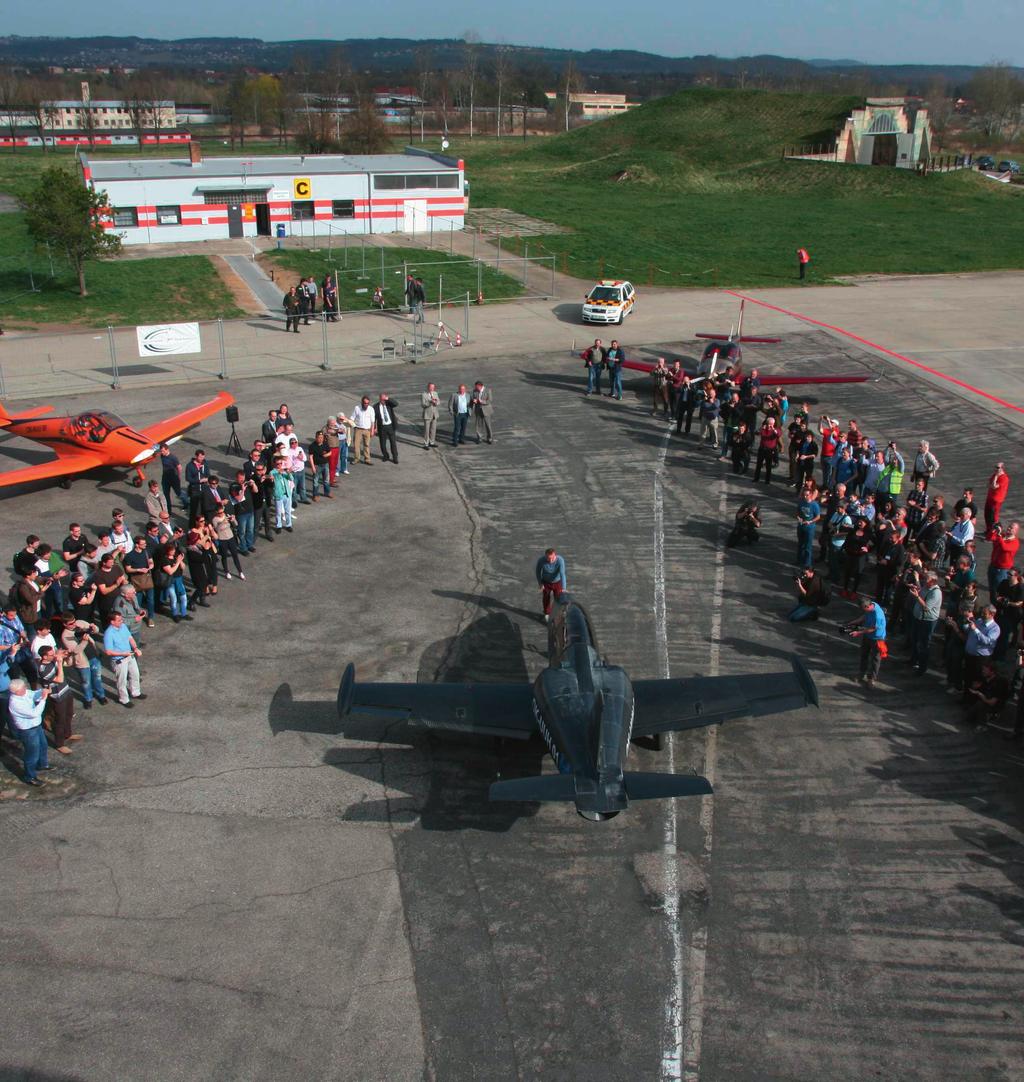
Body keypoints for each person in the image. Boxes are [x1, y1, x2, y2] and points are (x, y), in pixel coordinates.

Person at [8, 678, 50, 785]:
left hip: (36, 725)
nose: (25, 688)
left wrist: (42, 691)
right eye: (23, 688)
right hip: (28, 731)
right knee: (32, 754)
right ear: (16, 691)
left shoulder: (23, 693)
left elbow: (33, 694)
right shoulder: (15, 703)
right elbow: (34, 713)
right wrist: (43, 699)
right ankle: (30, 777)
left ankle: (42, 764)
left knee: (43, 745)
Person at [103, 611, 144, 709]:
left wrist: (135, 648)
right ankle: (124, 699)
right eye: (119, 620)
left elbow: (130, 638)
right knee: (122, 681)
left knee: (135, 674)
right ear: (112, 622)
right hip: (119, 660)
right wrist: (123, 653)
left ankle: (135, 692)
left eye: (121, 619)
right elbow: (108, 652)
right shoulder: (108, 634)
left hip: (130, 655)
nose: (121, 621)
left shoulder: (123, 627)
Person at [908, 573, 943, 675]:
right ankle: (913, 660)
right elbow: (921, 591)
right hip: (918, 618)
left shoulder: (936, 593)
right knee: (914, 639)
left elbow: (927, 607)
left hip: (927, 621)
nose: (925, 580)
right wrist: (917, 589)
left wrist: (917, 596)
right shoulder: (926, 586)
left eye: (927, 579)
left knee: (923, 644)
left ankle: (922, 667)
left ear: (933, 581)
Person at [849, 598, 887, 686]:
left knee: (876, 659)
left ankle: (872, 678)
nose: (863, 610)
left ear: (868, 606)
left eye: (863, 608)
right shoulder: (872, 604)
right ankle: (861, 673)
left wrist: (858, 632)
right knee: (864, 654)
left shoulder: (878, 615)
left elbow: (873, 629)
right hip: (867, 636)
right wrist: (852, 622)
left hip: (878, 638)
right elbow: (865, 615)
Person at [964, 662, 1010, 730]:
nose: (983, 671)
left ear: (992, 672)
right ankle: (984, 715)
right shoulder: (985, 678)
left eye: (985, 670)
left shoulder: (999, 682)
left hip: (995, 703)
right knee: (969, 718)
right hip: (986, 699)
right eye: (983, 669)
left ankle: (983, 725)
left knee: (980, 704)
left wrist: (980, 695)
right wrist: (976, 687)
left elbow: (992, 702)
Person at [123, 536, 156, 627]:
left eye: (145, 543)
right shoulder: (130, 556)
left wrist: (150, 566)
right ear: (137, 545)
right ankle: (137, 616)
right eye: (143, 544)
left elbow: (151, 561)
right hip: (136, 580)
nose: (145, 545)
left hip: (147, 578)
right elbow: (128, 569)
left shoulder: (146, 552)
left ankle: (150, 618)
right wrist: (139, 570)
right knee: (138, 601)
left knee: (151, 600)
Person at [159, 543, 191, 622]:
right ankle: (175, 614)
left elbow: (183, 567)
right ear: (167, 551)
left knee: (183, 597)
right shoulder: (164, 560)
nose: (174, 551)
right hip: (170, 581)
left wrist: (180, 561)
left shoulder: (176, 557)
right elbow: (170, 572)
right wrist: (177, 563)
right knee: (173, 598)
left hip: (179, 579)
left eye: (174, 549)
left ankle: (184, 613)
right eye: (172, 550)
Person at [536, 549, 568, 623]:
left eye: (552, 558)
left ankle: (557, 613)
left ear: (555, 555)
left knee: (558, 598)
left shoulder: (560, 560)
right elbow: (538, 572)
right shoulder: (541, 560)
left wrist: (564, 588)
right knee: (546, 597)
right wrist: (540, 584)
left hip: (557, 582)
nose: (550, 560)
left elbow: (562, 574)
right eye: (548, 558)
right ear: (545, 556)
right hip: (546, 582)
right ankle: (547, 613)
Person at [796, 488, 821, 570]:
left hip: (809, 527)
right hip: (801, 525)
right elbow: (798, 512)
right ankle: (799, 560)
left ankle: (807, 563)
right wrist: (799, 517)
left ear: (810, 495)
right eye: (804, 495)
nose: (805, 496)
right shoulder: (801, 502)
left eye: (807, 495)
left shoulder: (814, 505)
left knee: (808, 546)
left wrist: (810, 521)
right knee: (800, 544)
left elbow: (818, 517)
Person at [185, 449, 210, 527]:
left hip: (204, 489)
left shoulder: (205, 464)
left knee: (205, 508)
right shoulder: (190, 466)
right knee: (194, 510)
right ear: (196, 456)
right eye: (200, 457)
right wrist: (199, 480)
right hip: (195, 490)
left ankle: (205, 525)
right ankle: (191, 526)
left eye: (203, 457)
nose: (202, 459)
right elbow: (188, 478)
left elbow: (208, 474)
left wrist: (207, 478)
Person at [373, 393, 399, 464]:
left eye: (384, 399)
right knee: (382, 444)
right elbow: (374, 418)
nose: (383, 401)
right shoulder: (375, 407)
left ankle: (395, 457)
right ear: (379, 399)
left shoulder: (389, 404)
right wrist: (374, 428)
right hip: (382, 427)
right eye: (382, 399)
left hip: (390, 426)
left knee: (393, 443)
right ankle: (386, 455)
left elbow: (396, 404)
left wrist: (388, 399)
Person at [270, 456, 294, 533]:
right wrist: (278, 473)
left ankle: (288, 525)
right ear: (274, 464)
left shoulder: (284, 471)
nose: (279, 465)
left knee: (288, 511)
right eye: (278, 464)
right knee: (278, 512)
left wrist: (288, 472)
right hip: (278, 495)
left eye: (281, 463)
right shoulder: (272, 472)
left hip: (286, 494)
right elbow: (272, 479)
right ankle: (278, 526)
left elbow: (291, 479)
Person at [754, 417, 781, 484]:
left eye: (771, 424)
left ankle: (767, 481)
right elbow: (756, 433)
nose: (770, 425)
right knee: (759, 465)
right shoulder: (763, 429)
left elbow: (778, 434)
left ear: (774, 424)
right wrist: (761, 428)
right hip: (762, 449)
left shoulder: (776, 429)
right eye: (769, 424)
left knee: (768, 466)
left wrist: (774, 429)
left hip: (770, 450)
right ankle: (756, 478)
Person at [984, 463, 1010, 531]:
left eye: (998, 467)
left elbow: (994, 486)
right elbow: (988, 484)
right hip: (990, 497)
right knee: (987, 514)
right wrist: (993, 481)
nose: (996, 469)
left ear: (1002, 468)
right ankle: (988, 530)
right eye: (995, 467)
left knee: (993, 516)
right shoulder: (994, 475)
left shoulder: (1004, 478)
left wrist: (995, 477)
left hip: (996, 499)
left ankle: (994, 532)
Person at [351, 396, 375, 465]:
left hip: (367, 430)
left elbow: (373, 421)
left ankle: (367, 459)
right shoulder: (357, 408)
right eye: (365, 403)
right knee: (356, 445)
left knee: (367, 445)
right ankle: (356, 459)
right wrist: (350, 424)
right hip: (358, 429)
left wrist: (372, 430)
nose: (366, 404)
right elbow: (352, 417)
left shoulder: (371, 409)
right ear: (362, 402)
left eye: (367, 403)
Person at [309, 430, 332, 500]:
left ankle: (327, 492)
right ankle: (315, 495)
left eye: (321, 437)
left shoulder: (325, 444)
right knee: (316, 481)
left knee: (326, 480)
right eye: (319, 437)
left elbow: (330, 452)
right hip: (317, 466)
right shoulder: (312, 446)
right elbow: (310, 457)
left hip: (325, 464)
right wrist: (313, 467)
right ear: (316, 438)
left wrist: (327, 455)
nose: (320, 439)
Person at [421, 383, 440, 449]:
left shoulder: (435, 393)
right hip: (427, 415)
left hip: (434, 414)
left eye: (433, 387)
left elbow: (439, 402)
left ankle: (432, 442)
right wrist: (430, 402)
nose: (432, 388)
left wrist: (436, 402)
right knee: (426, 430)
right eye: (431, 387)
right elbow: (423, 405)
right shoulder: (424, 394)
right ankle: (426, 444)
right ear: (428, 387)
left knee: (433, 429)